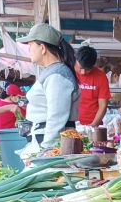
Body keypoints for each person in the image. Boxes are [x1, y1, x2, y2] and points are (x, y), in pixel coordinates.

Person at [17, 24, 78, 154]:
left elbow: (56, 117)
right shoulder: (52, 72)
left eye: (30, 46)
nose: (29, 50)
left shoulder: (58, 75)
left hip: (50, 143)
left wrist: (47, 150)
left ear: (43, 48)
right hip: (42, 139)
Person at [74, 45, 111, 128]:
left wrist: (92, 126)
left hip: (93, 124)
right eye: (80, 68)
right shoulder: (69, 73)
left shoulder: (101, 77)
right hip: (71, 123)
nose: (83, 72)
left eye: (87, 69)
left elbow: (103, 106)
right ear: (75, 60)